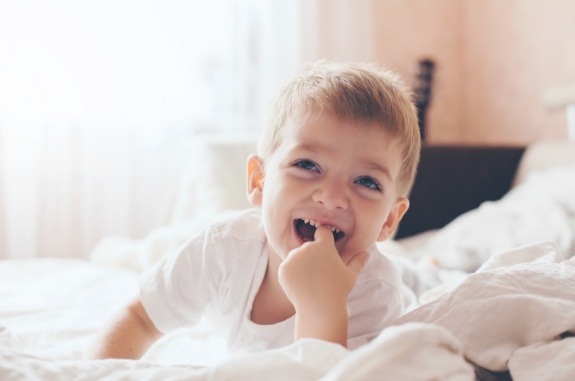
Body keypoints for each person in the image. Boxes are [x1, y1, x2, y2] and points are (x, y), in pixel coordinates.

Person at [87, 60, 421, 360]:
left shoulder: (376, 293)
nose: (331, 197)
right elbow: (140, 318)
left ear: (389, 220)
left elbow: (321, 372)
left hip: (407, 283)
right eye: (307, 164)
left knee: (421, 278)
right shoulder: (223, 247)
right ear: (259, 181)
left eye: (366, 182)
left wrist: (323, 307)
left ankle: (428, 266)